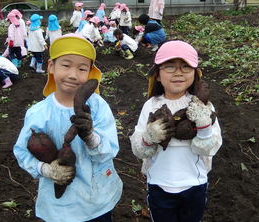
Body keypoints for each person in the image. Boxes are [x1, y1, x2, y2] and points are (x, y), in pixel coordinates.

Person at [13, 33, 123, 222]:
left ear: (89, 73)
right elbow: (22, 151)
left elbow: (109, 150)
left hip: (97, 197)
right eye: (66, 65)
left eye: (82, 68)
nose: (73, 75)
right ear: (51, 66)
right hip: (60, 207)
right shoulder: (38, 113)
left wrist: (90, 136)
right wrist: (45, 169)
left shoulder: (97, 106)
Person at [130, 40, 222, 222]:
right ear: (157, 75)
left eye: (186, 67)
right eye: (170, 66)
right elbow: (138, 148)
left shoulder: (201, 105)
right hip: (159, 183)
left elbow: (212, 146)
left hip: (194, 183)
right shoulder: (151, 105)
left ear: (195, 74)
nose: (178, 72)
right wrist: (149, 137)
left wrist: (203, 125)